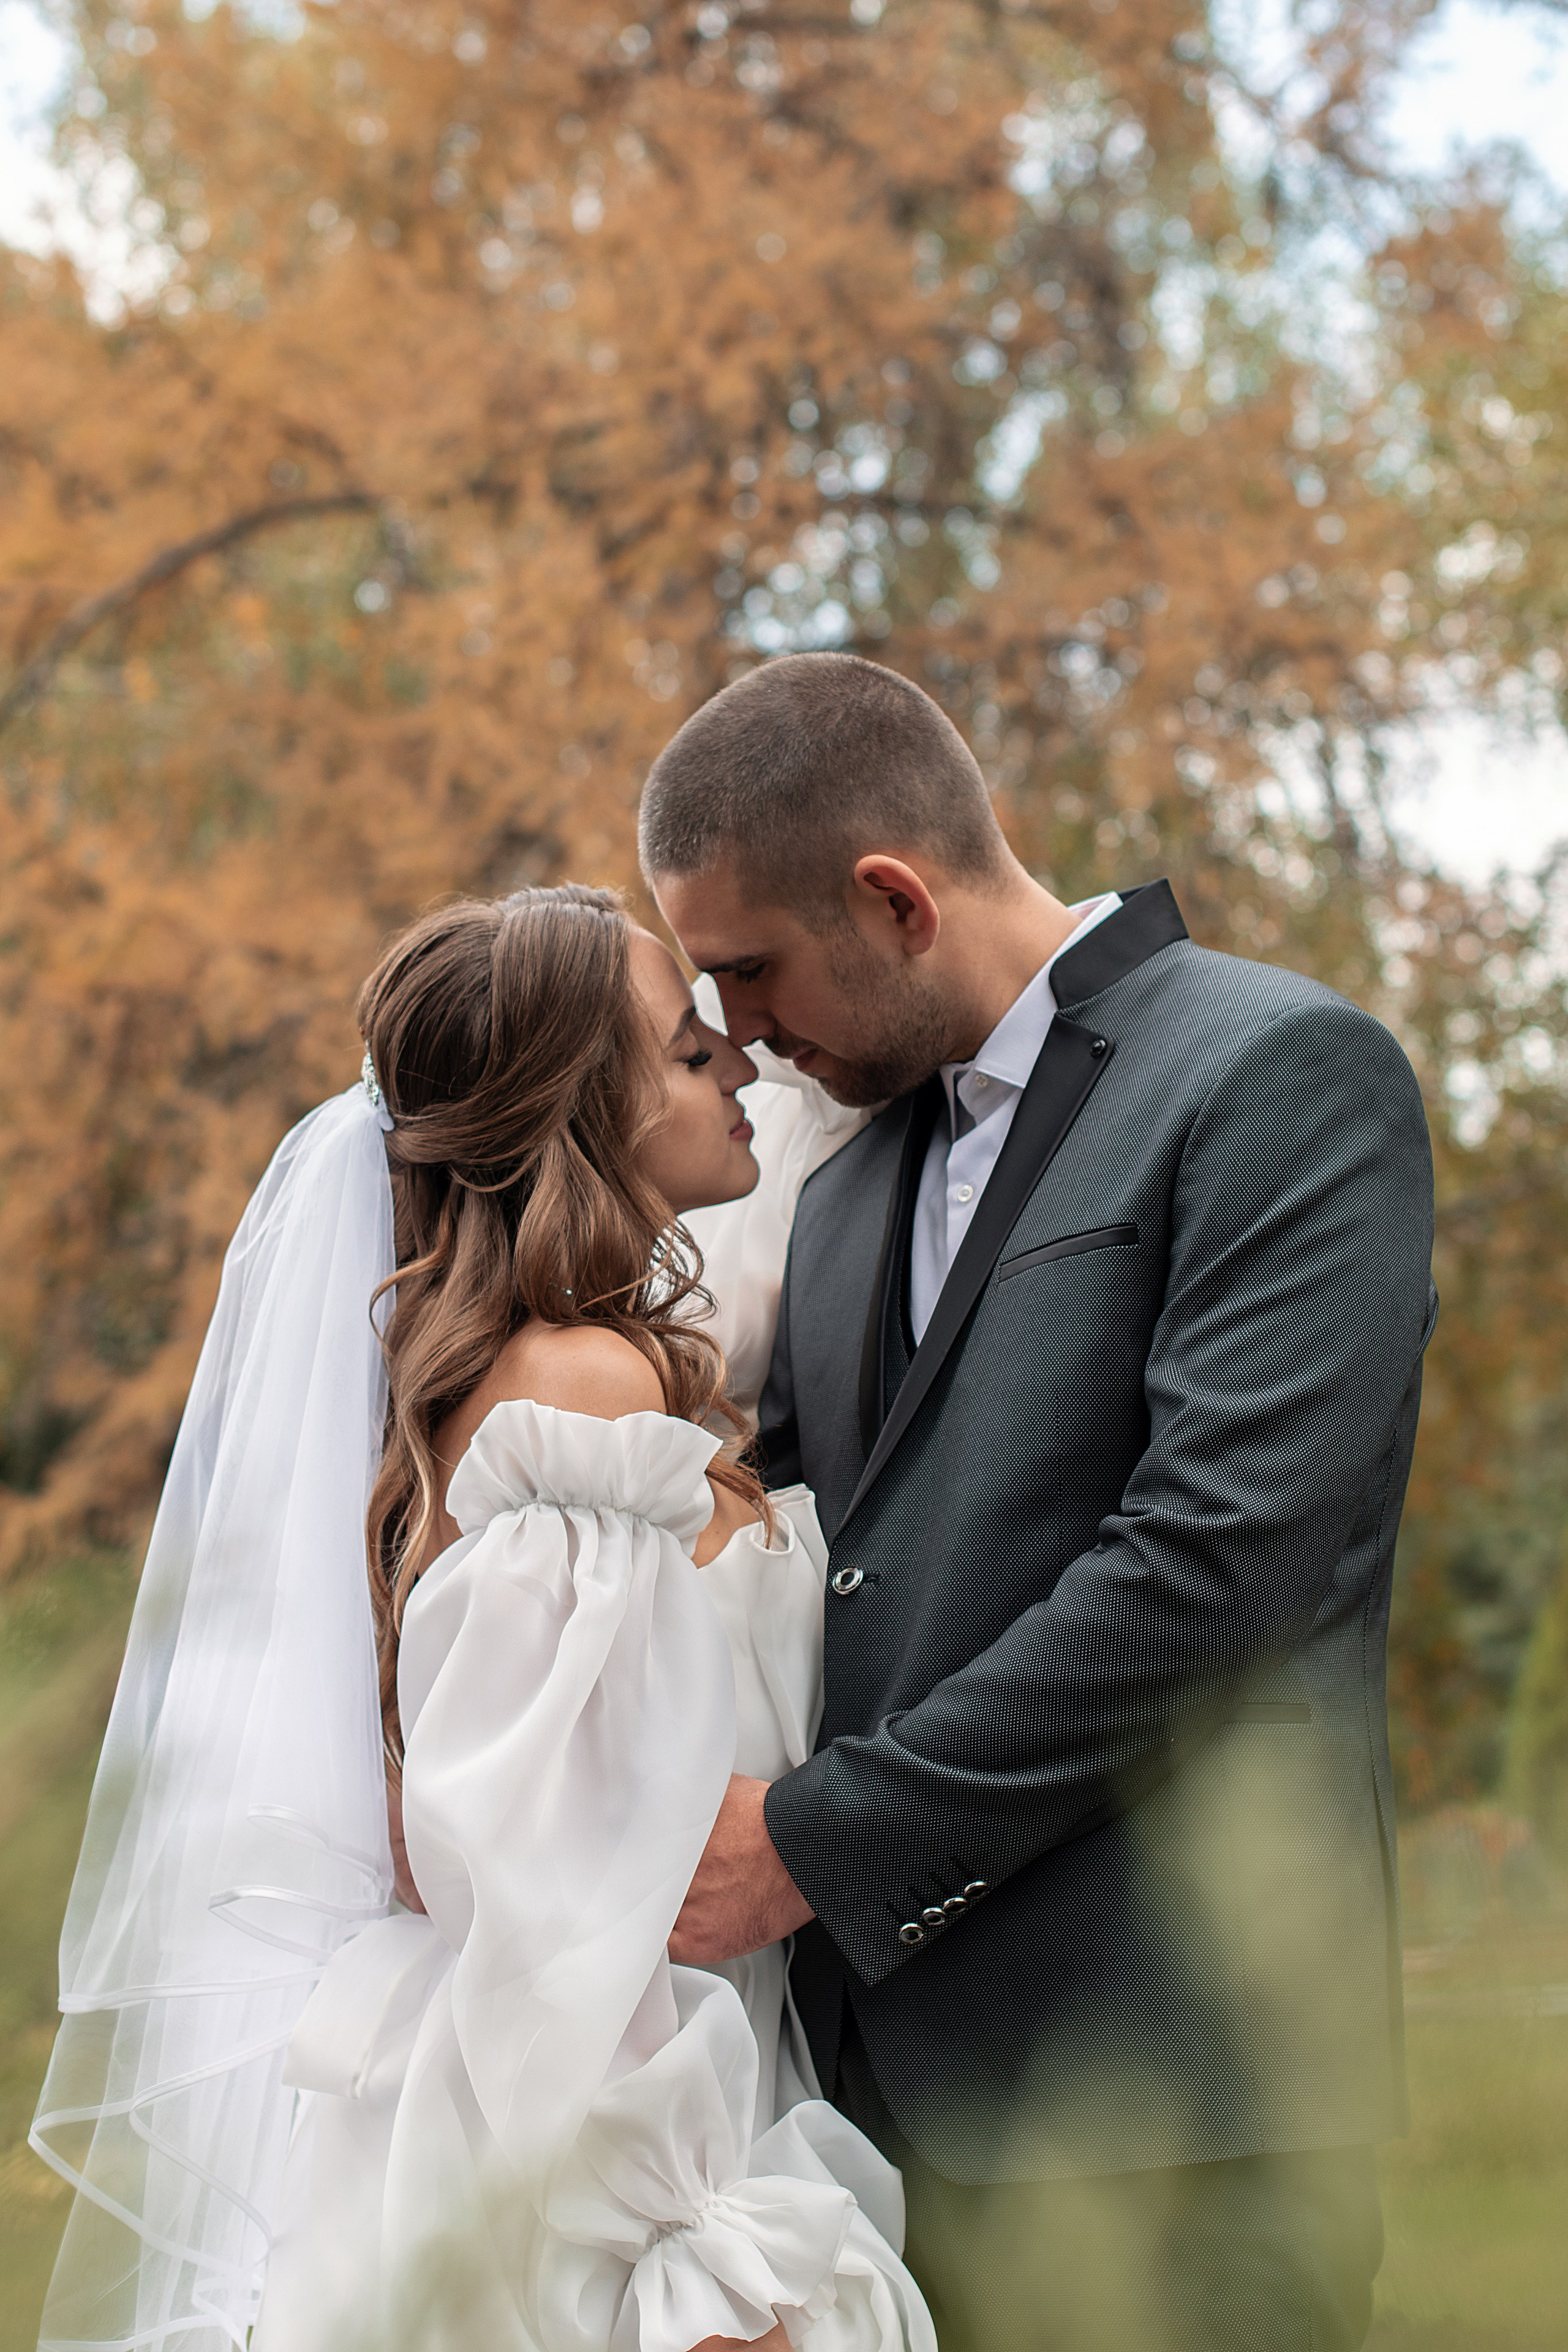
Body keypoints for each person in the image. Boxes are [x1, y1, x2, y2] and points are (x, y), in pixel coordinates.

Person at [640, 650, 1438, 2352]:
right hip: (876, 2133)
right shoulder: (848, 1193)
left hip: (1185, 2119)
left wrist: (809, 1849)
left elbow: (1212, 1575)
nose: (748, 1043)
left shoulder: (1279, 1074)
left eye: (752, 975)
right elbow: (800, 1567)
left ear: (892, 898)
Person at [31, 886, 934, 2352]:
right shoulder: (580, 1396)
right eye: (684, 1050)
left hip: (649, 2097)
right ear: (580, 1109)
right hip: (597, 2185)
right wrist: (694, 2252)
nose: (739, 1067)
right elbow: (555, 1908)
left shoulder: (558, 1384)